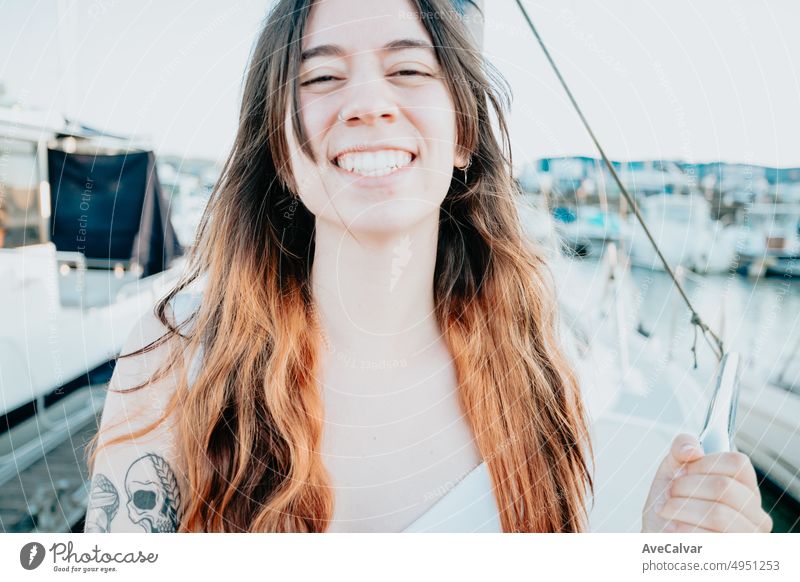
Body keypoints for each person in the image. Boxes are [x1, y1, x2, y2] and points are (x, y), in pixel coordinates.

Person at [84, 0, 771, 534]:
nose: (368, 103)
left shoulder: (535, 378)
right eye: (321, 76)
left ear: (464, 133)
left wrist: (668, 548)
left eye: (410, 69)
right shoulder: (178, 358)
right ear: (283, 153)